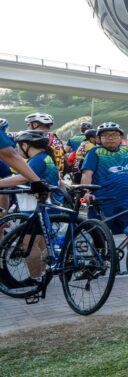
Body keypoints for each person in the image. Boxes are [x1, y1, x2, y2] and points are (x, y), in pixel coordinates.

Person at [81, 123, 128, 273]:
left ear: (120, 137)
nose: (110, 138)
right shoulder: (95, 152)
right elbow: (87, 173)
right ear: (98, 138)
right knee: (99, 234)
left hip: (126, 202)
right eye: (105, 135)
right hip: (102, 202)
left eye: (114, 135)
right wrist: (86, 191)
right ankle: (97, 265)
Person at [0, 131, 64, 281]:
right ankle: (42, 275)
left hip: (33, 207)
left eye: (18, 146)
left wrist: (1, 182)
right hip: (49, 206)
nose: (17, 149)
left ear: (25, 145)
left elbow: (23, 177)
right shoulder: (47, 158)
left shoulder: (37, 159)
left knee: (28, 244)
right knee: (42, 244)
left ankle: (35, 278)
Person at [25, 113, 67, 179]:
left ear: (35, 125)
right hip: (57, 176)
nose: (27, 127)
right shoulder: (55, 138)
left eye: (28, 125)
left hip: (44, 177)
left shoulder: (39, 139)